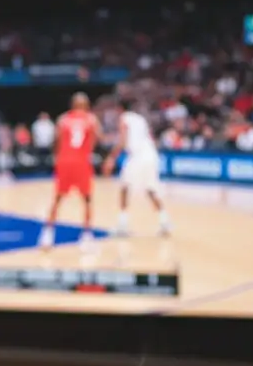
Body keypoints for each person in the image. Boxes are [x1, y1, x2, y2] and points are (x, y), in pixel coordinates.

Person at [39, 93, 99, 250]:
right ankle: (86, 234)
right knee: (87, 200)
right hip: (81, 163)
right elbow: (93, 142)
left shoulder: (62, 119)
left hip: (64, 162)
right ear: (86, 105)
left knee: (57, 199)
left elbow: (56, 142)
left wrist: (58, 160)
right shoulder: (91, 120)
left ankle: (48, 234)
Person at [102, 99, 172, 236]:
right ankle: (165, 223)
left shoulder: (124, 118)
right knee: (151, 190)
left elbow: (123, 141)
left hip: (138, 156)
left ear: (119, 109)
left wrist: (111, 158)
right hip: (151, 154)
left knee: (124, 188)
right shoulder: (140, 119)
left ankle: (122, 225)